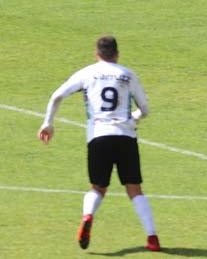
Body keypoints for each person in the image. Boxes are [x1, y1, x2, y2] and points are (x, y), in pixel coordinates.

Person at [37, 35, 161, 252]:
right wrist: (133, 117)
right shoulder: (127, 74)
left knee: (98, 188)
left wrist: (48, 123)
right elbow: (146, 109)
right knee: (134, 189)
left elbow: (57, 96)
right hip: (125, 137)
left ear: (97, 54)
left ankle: (87, 216)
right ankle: (152, 237)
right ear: (117, 54)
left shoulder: (87, 73)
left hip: (99, 136)